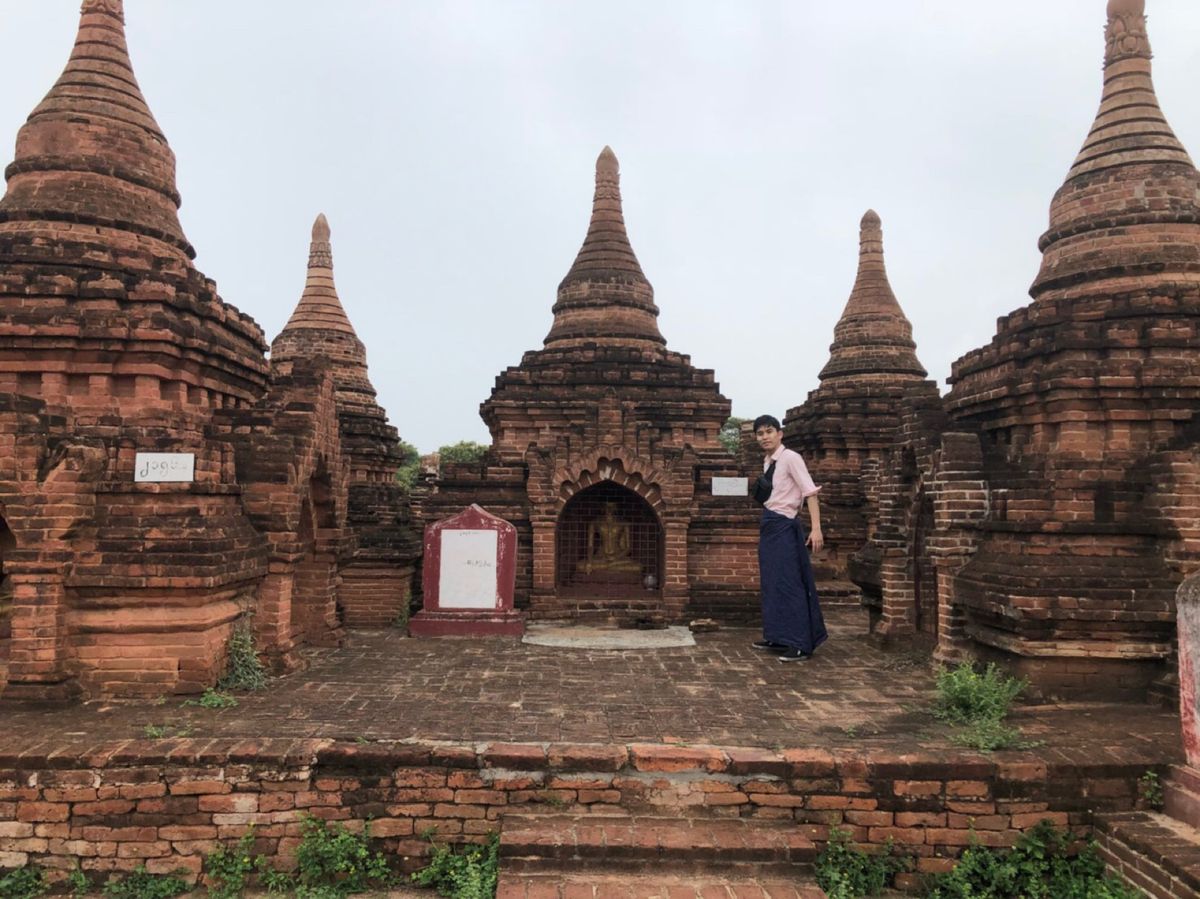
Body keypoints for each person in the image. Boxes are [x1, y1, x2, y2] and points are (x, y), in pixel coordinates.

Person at [751, 414, 828, 662]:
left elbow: (810, 493)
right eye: (760, 433)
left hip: (785, 525)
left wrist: (816, 528)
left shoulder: (791, 458)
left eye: (769, 431)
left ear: (779, 433)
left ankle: (800, 642)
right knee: (772, 581)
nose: (765, 437)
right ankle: (778, 635)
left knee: (789, 582)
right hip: (770, 523)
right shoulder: (768, 461)